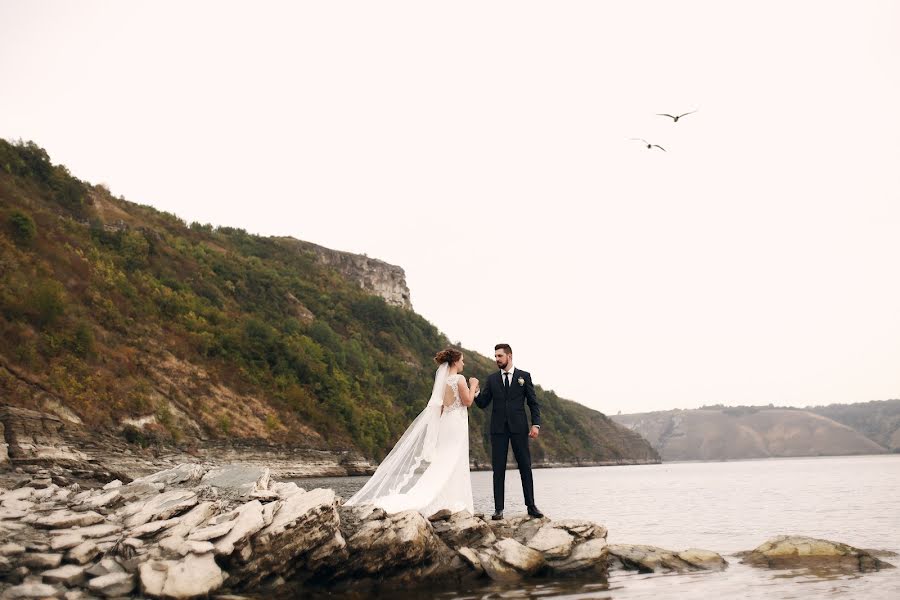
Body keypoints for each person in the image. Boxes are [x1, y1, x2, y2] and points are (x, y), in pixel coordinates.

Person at [344, 348, 478, 517]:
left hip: (446, 423)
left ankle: (445, 497)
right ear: (455, 362)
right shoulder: (459, 379)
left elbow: (442, 408)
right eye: (462, 360)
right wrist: (473, 385)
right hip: (456, 423)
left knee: (444, 459)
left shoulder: (443, 382)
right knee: (454, 459)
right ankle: (451, 499)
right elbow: (467, 401)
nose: (463, 363)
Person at [474, 343, 543, 520]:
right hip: (498, 430)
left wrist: (536, 424)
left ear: (509, 356)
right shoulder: (492, 379)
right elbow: (482, 403)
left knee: (525, 466)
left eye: (500, 356)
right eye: (495, 356)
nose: (496, 359)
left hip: (519, 428)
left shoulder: (524, 376)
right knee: (498, 469)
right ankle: (498, 509)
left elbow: (533, 403)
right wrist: (475, 391)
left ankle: (531, 506)